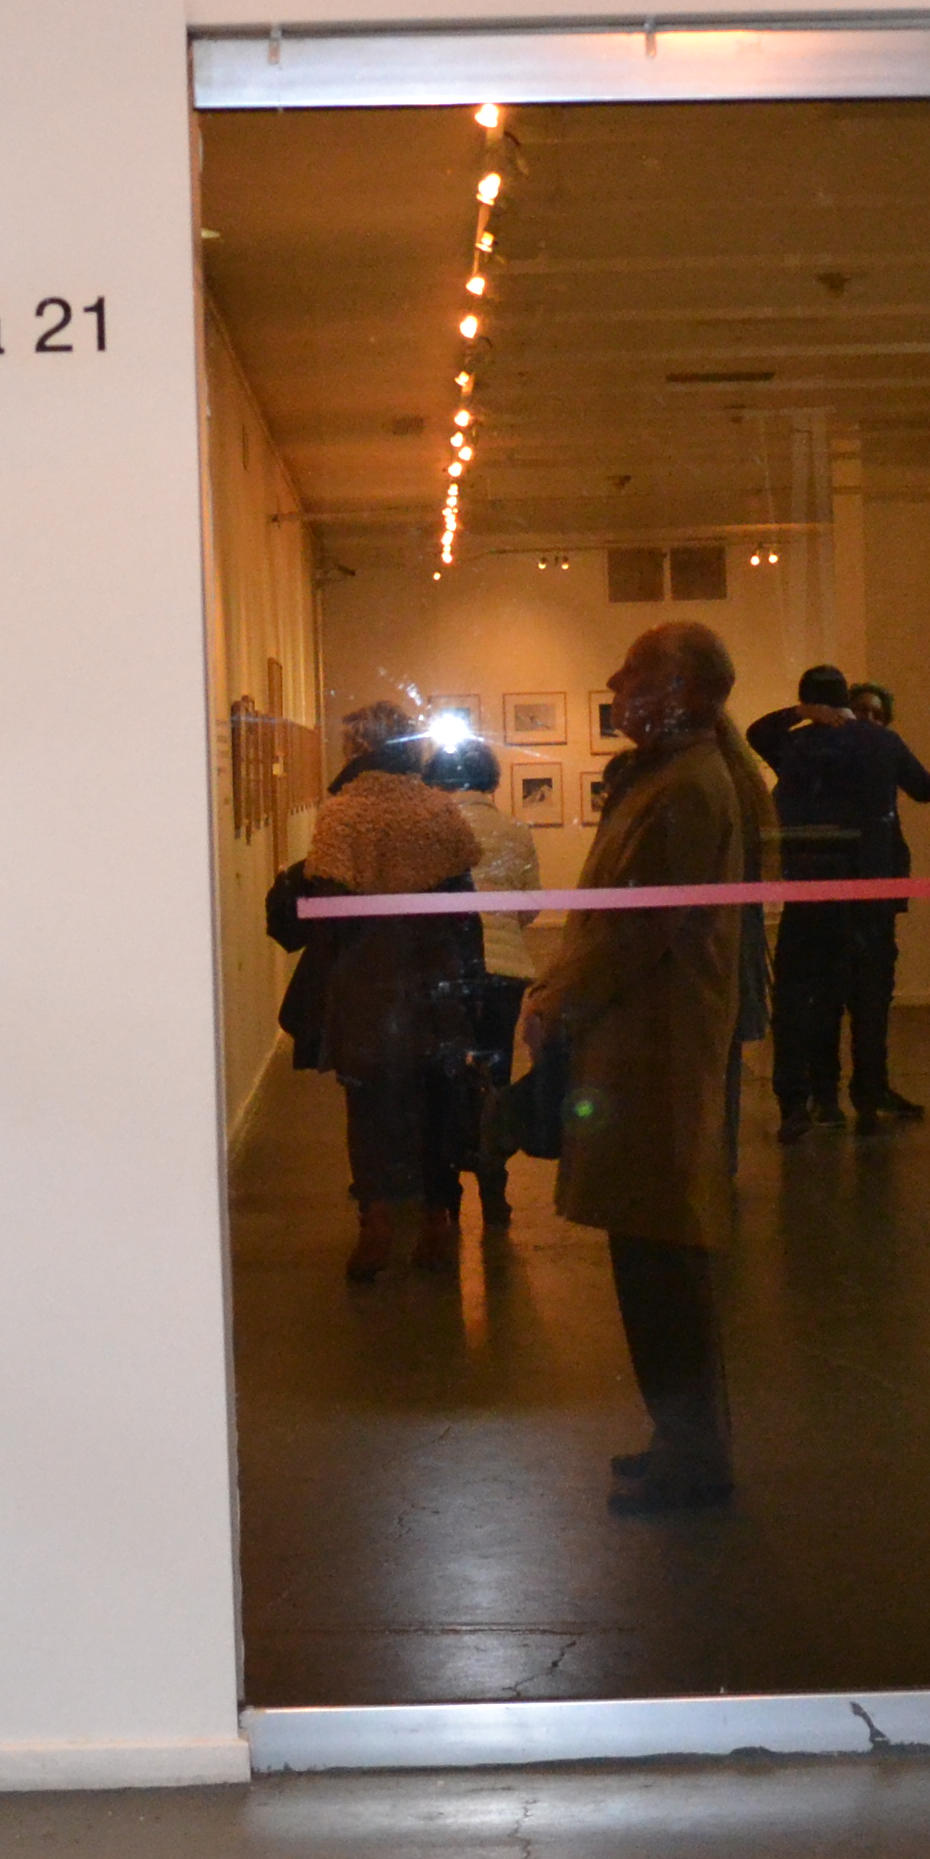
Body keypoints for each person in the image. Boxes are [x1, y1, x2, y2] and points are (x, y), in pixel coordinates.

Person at [527, 624, 773, 1515]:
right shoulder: (675, 780)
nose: (614, 681)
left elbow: (635, 929)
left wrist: (556, 1000)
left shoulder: (686, 788)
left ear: (683, 691)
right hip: (645, 1043)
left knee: (662, 1259)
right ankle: (681, 1441)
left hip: (654, 1048)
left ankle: (694, 1453)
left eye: (635, 672)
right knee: (652, 1255)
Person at [291, 702, 483, 1281]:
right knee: (436, 1099)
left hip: (367, 978)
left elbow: (328, 914)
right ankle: (435, 1219)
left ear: (356, 747)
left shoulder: (343, 814)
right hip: (432, 975)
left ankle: (375, 1220)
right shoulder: (438, 810)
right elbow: (463, 905)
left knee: (369, 1103)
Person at [745, 661, 930, 1137]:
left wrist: (800, 713)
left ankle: (799, 1102)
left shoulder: (794, 745)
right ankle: (868, 1098)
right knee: (869, 1000)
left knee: (799, 999)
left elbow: (755, 733)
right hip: (869, 891)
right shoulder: (882, 742)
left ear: (809, 700)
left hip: (810, 890)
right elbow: (925, 789)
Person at [430, 735, 544, 1233]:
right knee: (495, 1080)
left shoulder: (435, 828)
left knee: (446, 1079)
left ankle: (447, 1196)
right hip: (505, 971)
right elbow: (529, 904)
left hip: (449, 971)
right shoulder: (515, 830)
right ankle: (495, 1193)